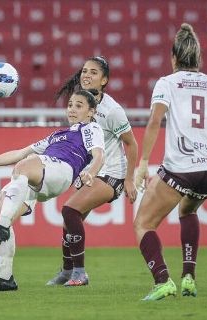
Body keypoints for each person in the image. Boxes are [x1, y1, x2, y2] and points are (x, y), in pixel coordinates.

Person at [0, 89, 105, 291]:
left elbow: (99, 155)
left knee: (24, 166)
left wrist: (91, 172)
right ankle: (6, 279)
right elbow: (19, 152)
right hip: (42, 178)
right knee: (2, 209)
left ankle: (1, 228)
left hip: (61, 169)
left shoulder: (90, 129)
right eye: (70, 104)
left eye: (79, 105)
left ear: (91, 112)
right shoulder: (57, 135)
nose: (72, 109)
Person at [132, 23, 207, 301]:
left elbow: (154, 120)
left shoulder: (167, 83)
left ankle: (163, 280)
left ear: (174, 57)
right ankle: (189, 278)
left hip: (181, 168)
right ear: (199, 58)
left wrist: (143, 163)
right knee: (187, 211)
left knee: (143, 224)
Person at [44, 56, 139, 287]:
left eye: (94, 72)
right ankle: (67, 272)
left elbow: (132, 144)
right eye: (85, 70)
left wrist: (129, 180)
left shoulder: (113, 111)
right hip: (91, 173)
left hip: (112, 174)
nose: (86, 75)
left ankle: (79, 273)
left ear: (104, 80)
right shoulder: (80, 102)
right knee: (69, 222)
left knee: (69, 210)